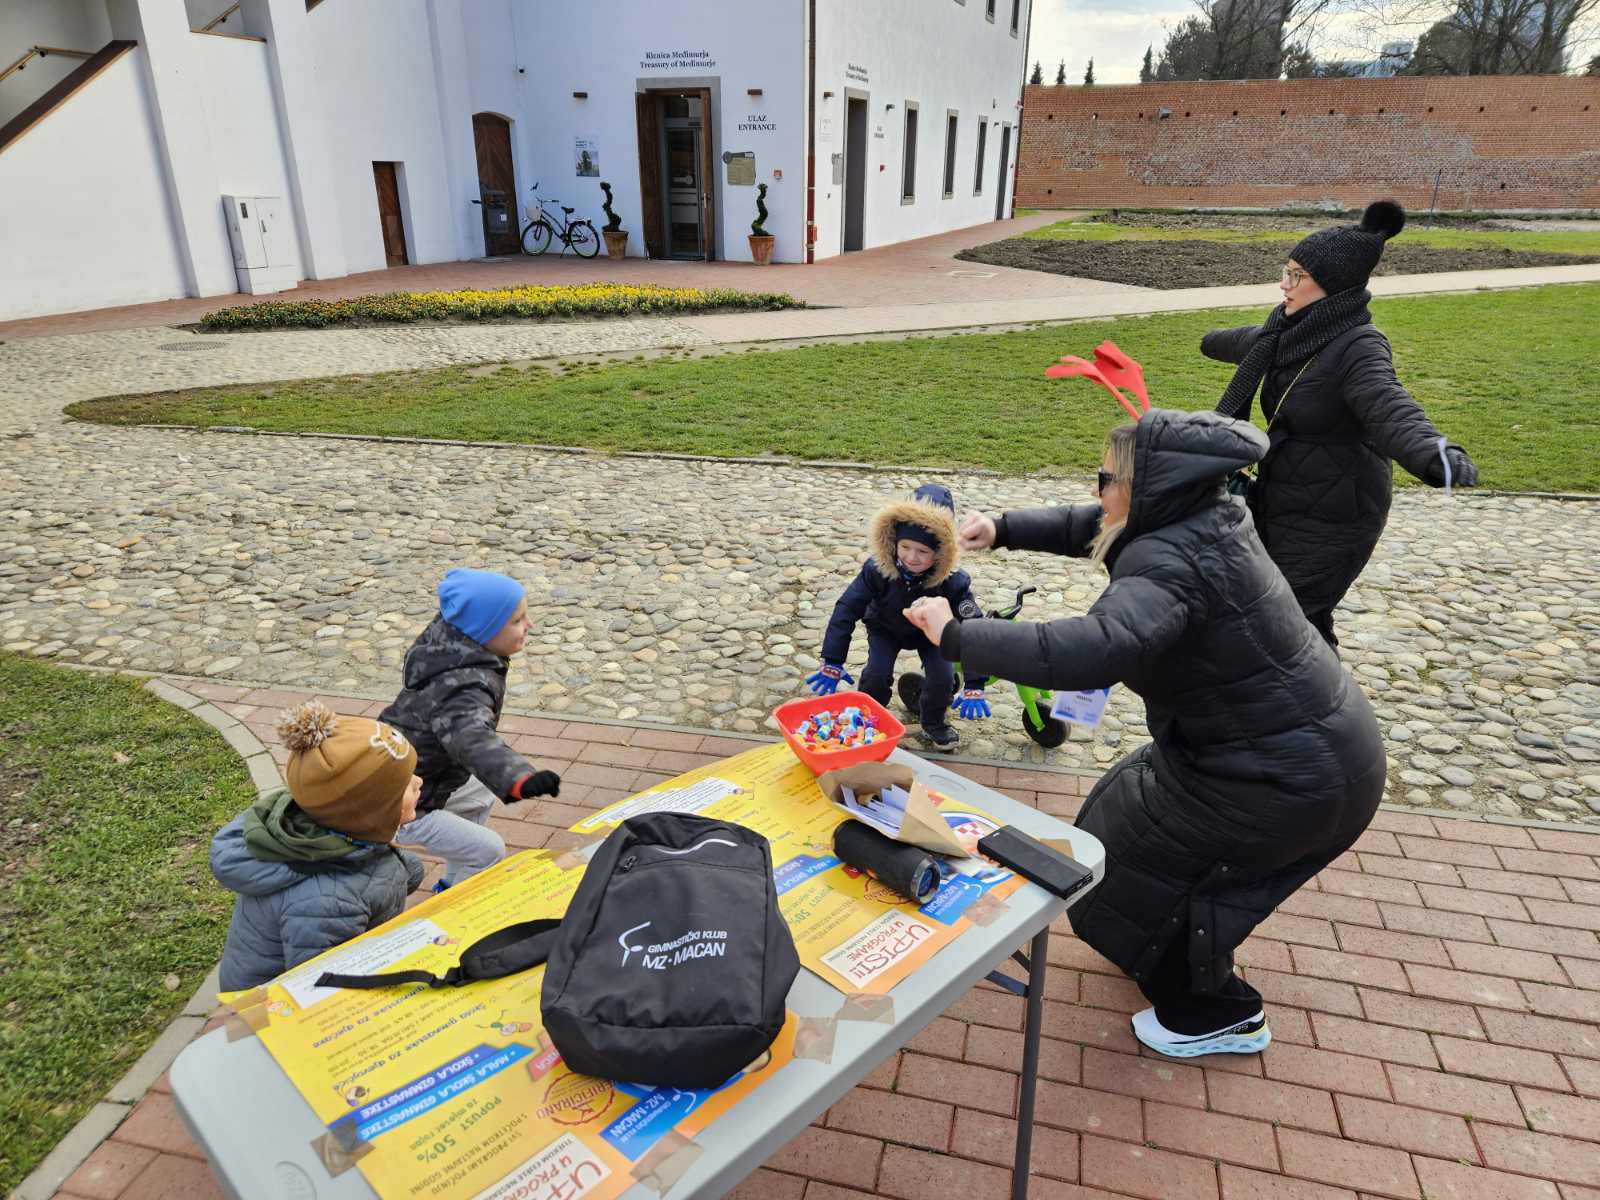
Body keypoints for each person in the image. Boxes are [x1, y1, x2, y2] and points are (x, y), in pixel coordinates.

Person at [905, 411, 1386, 1057]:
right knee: (1123, 828)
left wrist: (955, 633)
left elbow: (1094, 647)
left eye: (1107, 477)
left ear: (1152, 486)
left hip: (1286, 779)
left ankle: (1217, 1015)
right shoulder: (1200, 518)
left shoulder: (1173, 564)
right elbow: (1094, 524)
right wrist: (1005, 527)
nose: (1099, 487)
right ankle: (1167, 961)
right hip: (1276, 754)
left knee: (1166, 878)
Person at [1204, 199, 1478, 647]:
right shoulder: (1287, 332)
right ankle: (1316, 710)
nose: (1283, 284)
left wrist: (1434, 453)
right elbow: (1249, 344)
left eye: (1297, 276)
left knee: (1284, 622)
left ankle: (1315, 713)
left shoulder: (1359, 345)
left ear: (1332, 286)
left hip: (1338, 511)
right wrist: (1210, 342)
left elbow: (1386, 402)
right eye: (1286, 271)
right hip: (1282, 498)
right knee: (1287, 621)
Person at [211, 701, 426, 990]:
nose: (419, 781)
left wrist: (401, 872)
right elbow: (322, 986)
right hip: (272, 1008)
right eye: (405, 786)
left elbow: (377, 872)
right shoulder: (326, 903)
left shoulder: (339, 829)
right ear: (371, 813)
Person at [380, 568, 561, 891]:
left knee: (477, 791)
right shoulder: (461, 686)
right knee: (488, 849)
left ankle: (453, 881)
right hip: (398, 802)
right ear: (485, 630)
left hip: (420, 775)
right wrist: (519, 779)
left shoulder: (453, 646)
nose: (529, 625)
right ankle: (455, 907)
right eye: (517, 620)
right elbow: (471, 737)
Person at [807, 484, 986, 753]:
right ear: (894, 543)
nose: (911, 557)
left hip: (932, 633)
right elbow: (846, 608)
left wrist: (974, 682)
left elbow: (973, 626)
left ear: (940, 553)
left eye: (923, 552)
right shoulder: (877, 570)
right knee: (876, 673)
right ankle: (869, 716)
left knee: (942, 676)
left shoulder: (953, 582)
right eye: (905, 547)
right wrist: (833, 659)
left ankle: (934, 721)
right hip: (885, 628)